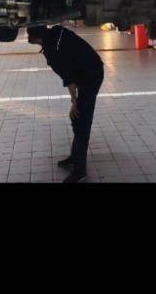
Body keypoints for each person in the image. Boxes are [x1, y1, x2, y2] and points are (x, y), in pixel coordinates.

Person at [27, 24, 104, 183]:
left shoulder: (52, 53)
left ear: (37, 39)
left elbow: (70, 82)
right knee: (77, 119)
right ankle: (75, 156)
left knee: (81, 120)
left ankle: (80, 171)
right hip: (91, 66)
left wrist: (74, 102)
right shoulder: (57, 30)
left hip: (91, 76)